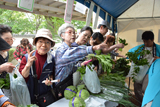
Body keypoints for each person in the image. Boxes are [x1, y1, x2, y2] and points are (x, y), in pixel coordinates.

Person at [54, 23, 124, 99]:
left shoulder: (71, 48)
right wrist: (93, 48)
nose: (73, 35)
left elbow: (71, 66)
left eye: (74, 32)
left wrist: (81, 65)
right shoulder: (61, 50)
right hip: (60, 84)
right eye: (70, 32)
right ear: (62, 35)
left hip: (69, 83)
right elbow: (72, 54)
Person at [19, 29, 56, 105]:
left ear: (51, 45)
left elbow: (52, 74)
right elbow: (22, 78)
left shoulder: (51, 59)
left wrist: (50, 80)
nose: (44, 45)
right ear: (35, 43)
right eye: (40, 41)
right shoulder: (26, 58)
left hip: (44, 96)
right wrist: (28, 64)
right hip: (29, 95)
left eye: (47, 42)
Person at [128, 31, 160, 106]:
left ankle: (148, 103)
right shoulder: (140, 48)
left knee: (146, 89)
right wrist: (132, 58)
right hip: (140, 71)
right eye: (144, 41)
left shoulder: (158, 48)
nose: (145, 43)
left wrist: (159, 58)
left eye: (147, 42)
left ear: (152, 40)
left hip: (150, 72)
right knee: (136, 88)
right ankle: (141, 103)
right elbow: (130, 53)